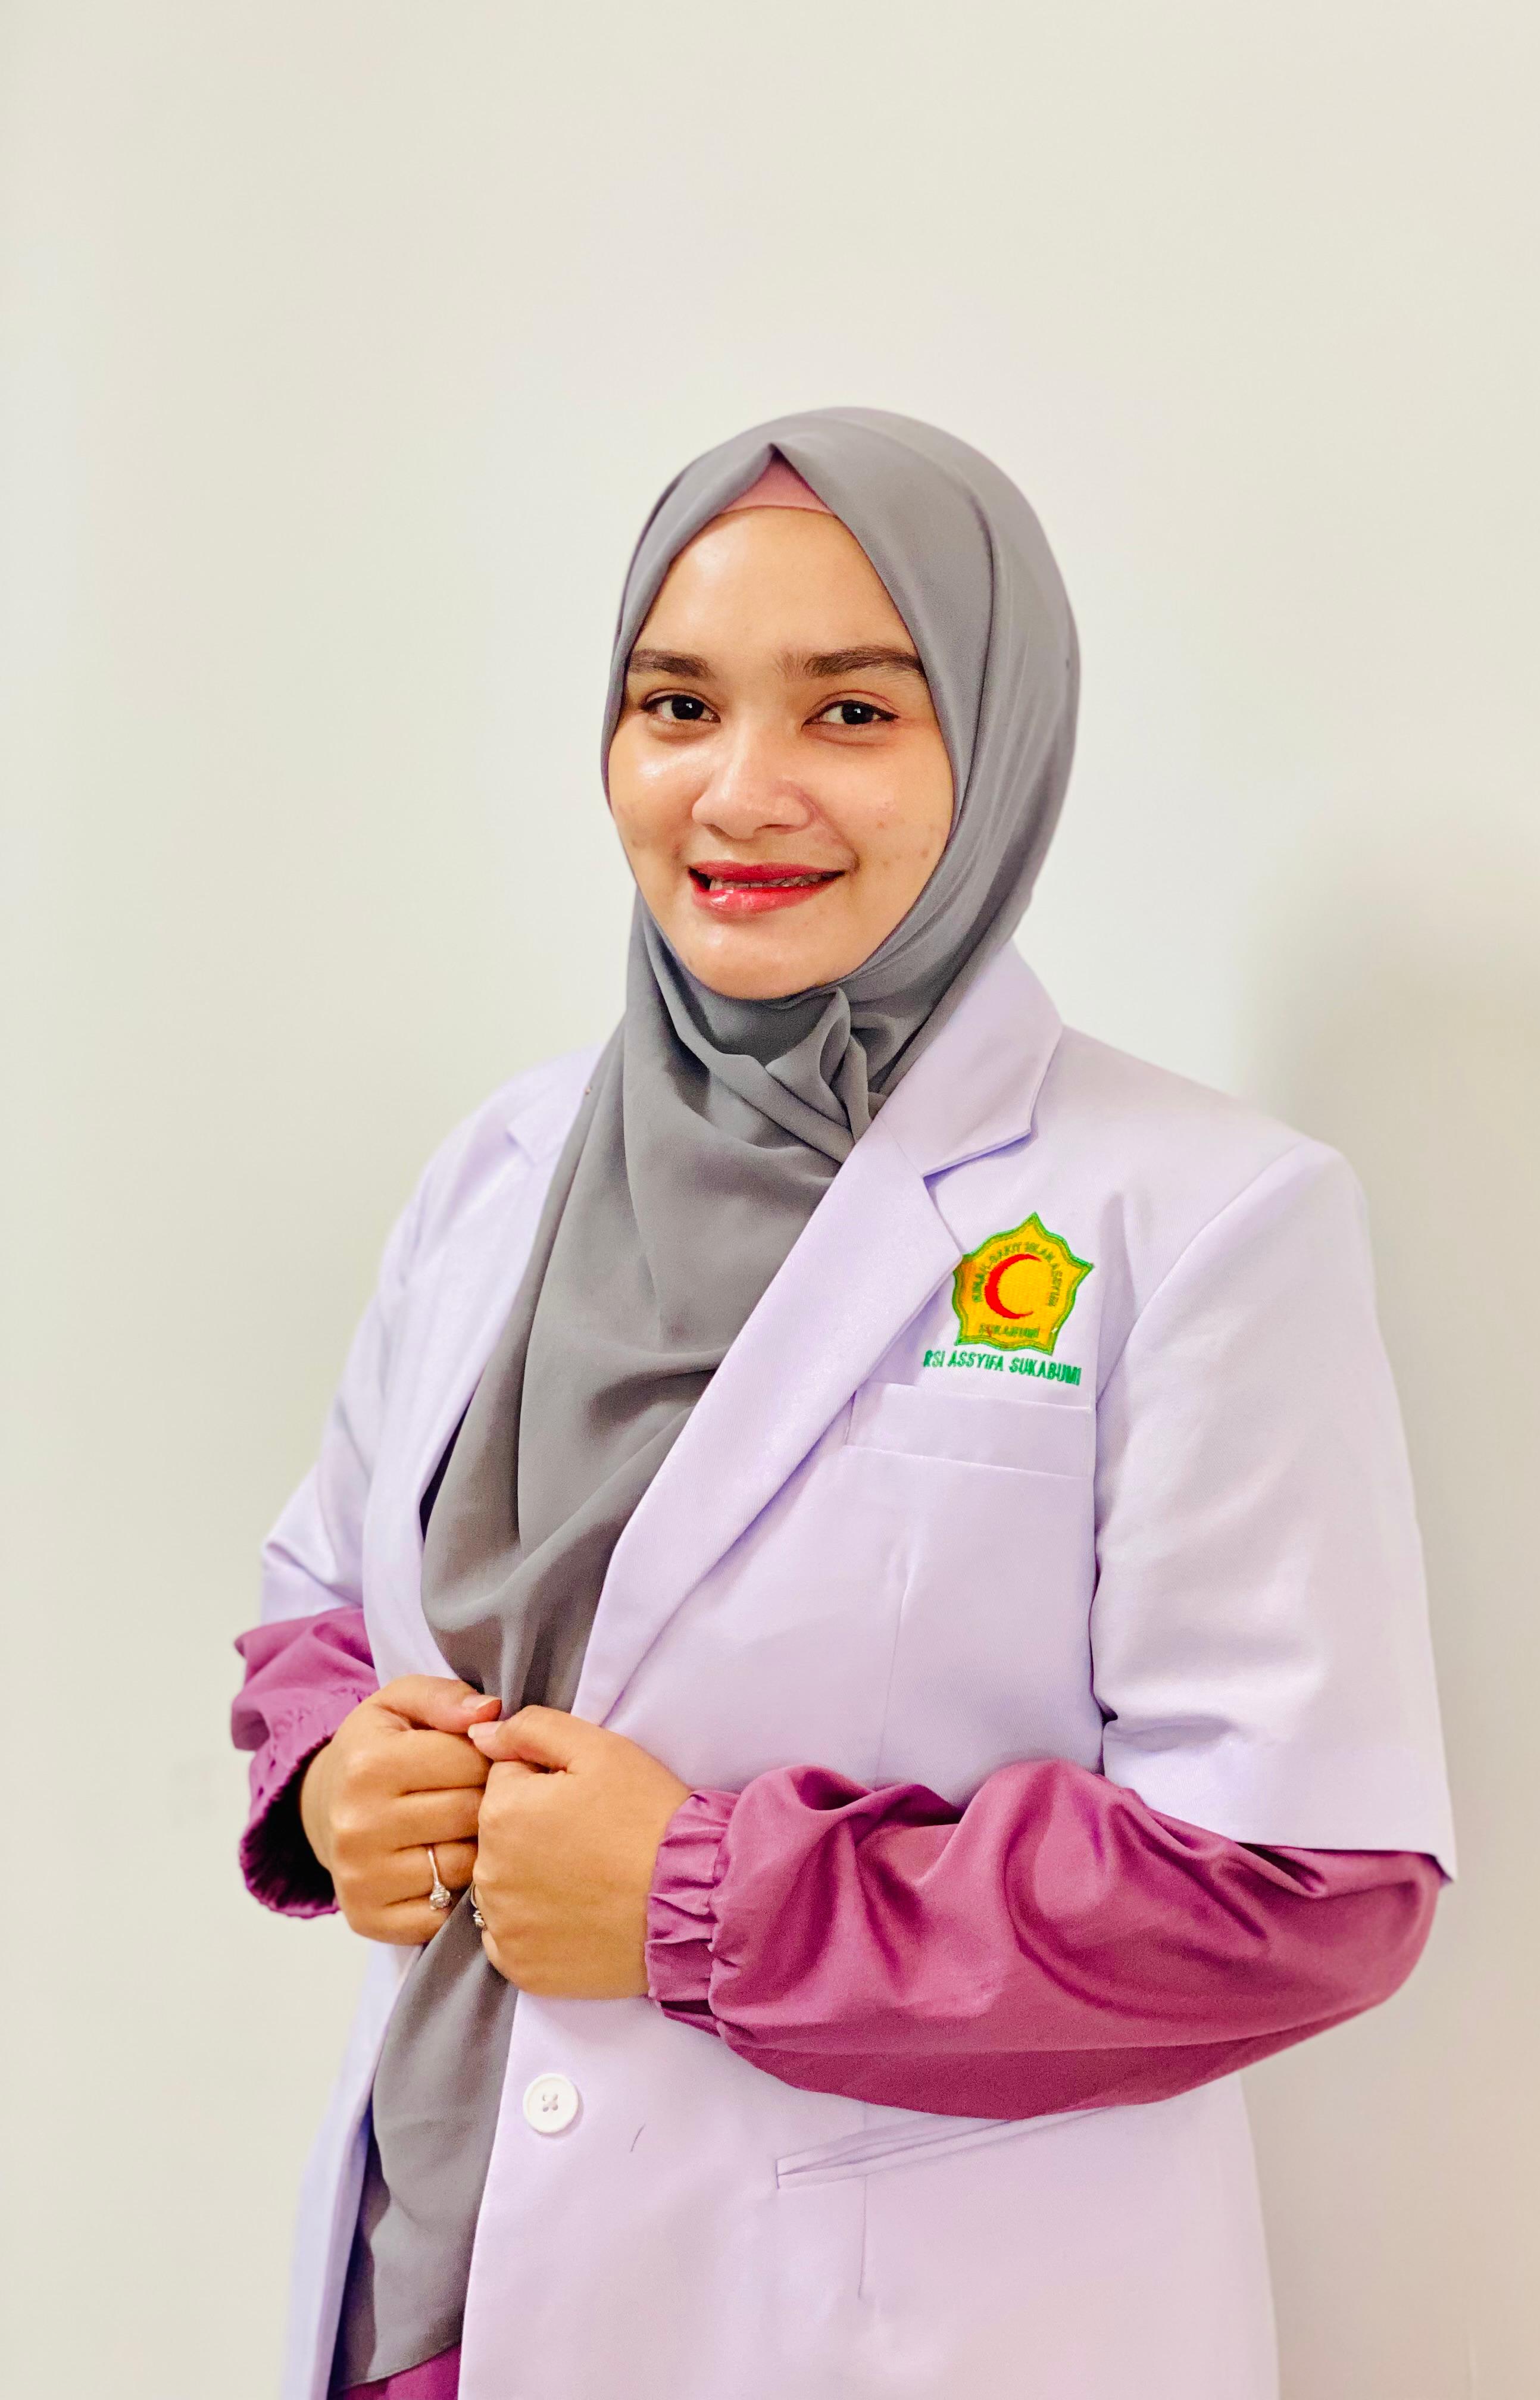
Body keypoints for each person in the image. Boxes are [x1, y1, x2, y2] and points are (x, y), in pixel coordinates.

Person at [232, 410, 1454, 2400]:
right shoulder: (505, 1170)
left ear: (999, 745)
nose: (742, 790)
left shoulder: (1198, 1216)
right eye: (677, 704)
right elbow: (322, 1605)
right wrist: (329, 1778)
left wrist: (703, 1902)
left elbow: (1303, 1889)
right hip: (429, 2292)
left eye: (855, 712)